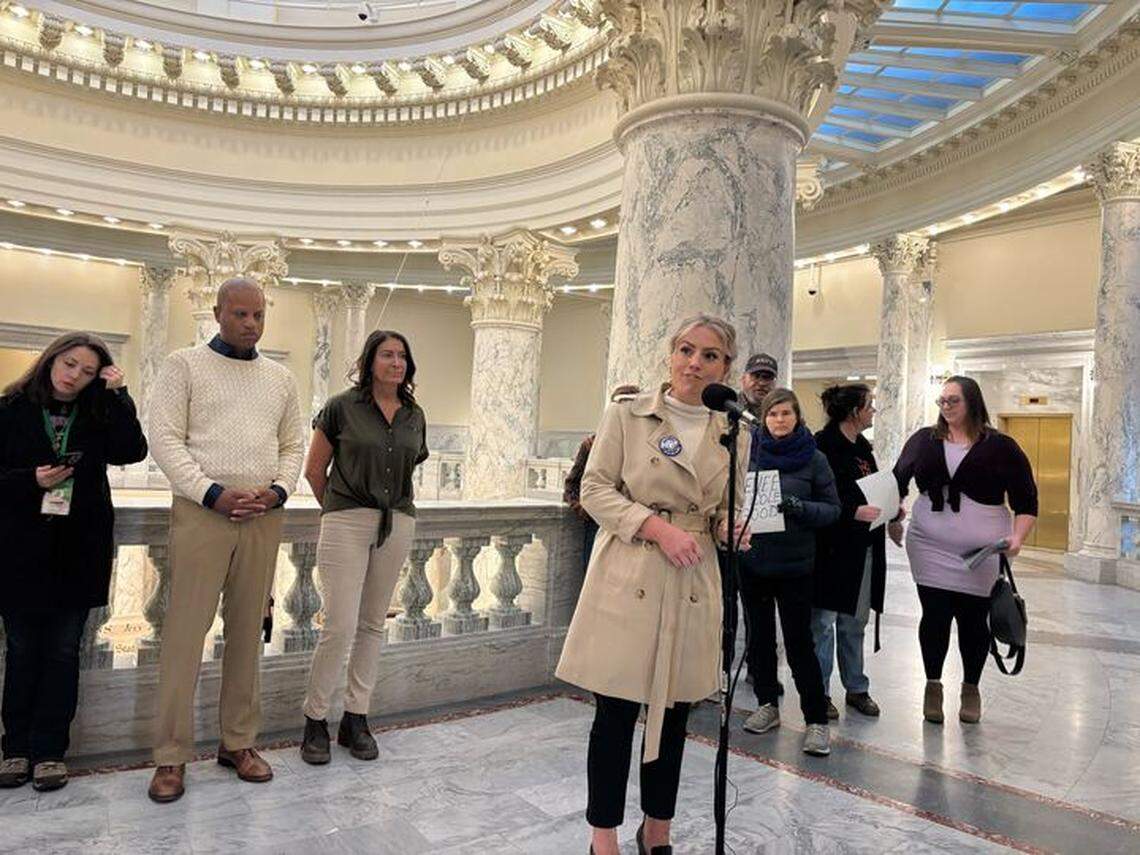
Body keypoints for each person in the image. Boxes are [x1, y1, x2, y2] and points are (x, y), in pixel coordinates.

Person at [556, 315, 748, 855]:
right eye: (686, 350)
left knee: (676, 711)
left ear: (724, 367)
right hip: (631, 571)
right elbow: (594, 490)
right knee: (615, 713)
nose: (695, 363)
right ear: (670, 355)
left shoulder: (735, 431)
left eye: (710, 355)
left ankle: (656, 829)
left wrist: (727, 528)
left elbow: (715, 510)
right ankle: (604, 838)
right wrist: (656, 527)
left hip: (692, 578)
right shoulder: (628, 413)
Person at [147, 277, 304, 803]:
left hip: (262, 517)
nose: (251, 324)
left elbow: (292, 444)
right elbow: (165, 438)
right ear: (218, 313)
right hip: (202, 515)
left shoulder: (280, 379)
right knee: (185, 638)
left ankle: (239, 742)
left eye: (258, 315)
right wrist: (209, 492)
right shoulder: (184, 365)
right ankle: (170, 756)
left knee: (247, 634)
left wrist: (279, 491)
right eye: (240, 314)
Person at [0, 333, 147, 792]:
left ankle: (49, 752)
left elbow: (132, 450)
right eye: (69, 365)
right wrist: (32, 480)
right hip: (19, 550)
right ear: (50, 360)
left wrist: (119, 394)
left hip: (77, 548)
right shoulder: (10, 410)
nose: (74, 377)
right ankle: (15, 750)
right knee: (22, 651)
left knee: (64, 652)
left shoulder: (98, 412)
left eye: (87, 372)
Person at [299, 330, 428, 765]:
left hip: (397, 521)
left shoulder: (414, 415)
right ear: (370, 360)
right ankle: (315, 719)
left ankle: (357, 717)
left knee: (373, 624)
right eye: (388, 354)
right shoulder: (341, 407)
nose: (396, 362)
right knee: (338, 623)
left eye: (402, 356)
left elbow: (411, 469)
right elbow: (315, 470)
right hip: (346, 519)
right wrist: (338, 512)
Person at [894, 376, 1037, 725]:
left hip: (983, 552)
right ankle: (933, 685)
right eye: (942, 401)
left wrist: (1017, 538)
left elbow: (1026, 500)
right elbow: (896, 480)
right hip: (928, 546)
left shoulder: (1002, 446)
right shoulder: (924, 440)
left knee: (974, 620)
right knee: (935, 616)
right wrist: (893, 515)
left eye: (953, 401)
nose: (945, 407)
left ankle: (970, 688)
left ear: (972, 402)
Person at [739, 388, 840, 756]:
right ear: (763, 419)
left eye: (785, 413)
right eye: (772, 414)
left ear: (797, 417)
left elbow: (832, 510)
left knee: (800, 642)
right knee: (760, 638)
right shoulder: (748, 455)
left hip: (796, 564)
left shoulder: (814, 459)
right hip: (753, 561)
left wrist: (800, 507)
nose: (779, 420)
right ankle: (767, 704)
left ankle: (815, 720)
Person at [811, 384, 902, 720]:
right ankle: (819, 692)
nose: (873, 411)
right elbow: (817, 493)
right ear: (853, 411)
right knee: (822, 623)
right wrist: (851, 511)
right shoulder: (823, 445)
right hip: (831, 549)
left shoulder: (863, 447)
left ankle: (856, 688)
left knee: (854, 621)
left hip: (862, 547)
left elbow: (873, 489)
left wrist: (892, 509)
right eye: (869, 406)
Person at [563, 384, 640, 567]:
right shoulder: (591, 445)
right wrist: (585, 509)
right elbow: (572, 486)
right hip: (599, 525)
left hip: (634, 526)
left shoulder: (647, 448)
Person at [740, 352, 778, 418]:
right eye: (756, 376)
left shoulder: (782, 412)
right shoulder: (728, 408)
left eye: (767, 377)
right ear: (743, 380)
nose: (761, 383)